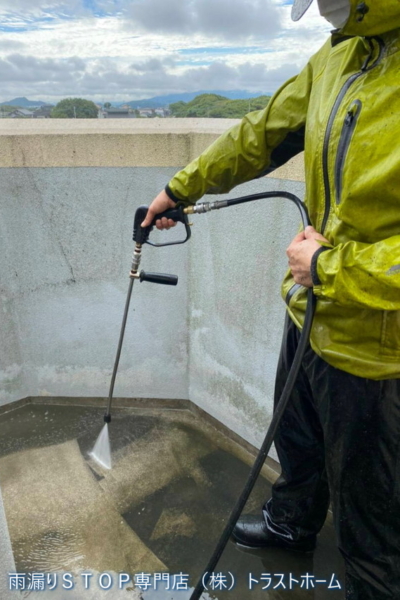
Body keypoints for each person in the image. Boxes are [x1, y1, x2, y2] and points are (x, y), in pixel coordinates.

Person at [141, 0, 400, 598]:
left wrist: (330, 267)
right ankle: (291, 524)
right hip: (311, 311)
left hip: (375, 346)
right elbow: (262, 132)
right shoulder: (341, 53)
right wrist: (180, 187)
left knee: (374, 511)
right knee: (299, 442)